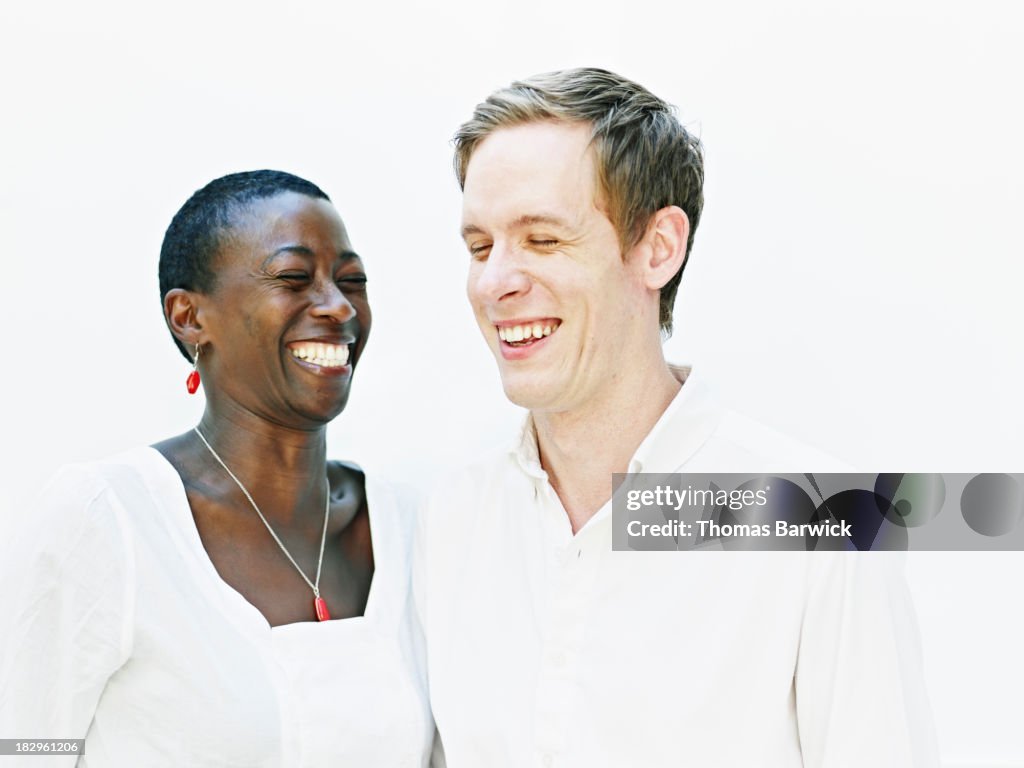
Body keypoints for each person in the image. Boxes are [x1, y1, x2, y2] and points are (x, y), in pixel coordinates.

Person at [415, 69, 939, 767]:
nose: (494, 282)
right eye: (480, 246)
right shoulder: (451, 521)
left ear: (658, 247)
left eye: (542, 240)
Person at [0, 171, 434, 766]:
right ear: (189, 317)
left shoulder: (409, 526)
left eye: (352, 281)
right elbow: (25, 746)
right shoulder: (108, 521)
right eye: (293, 277)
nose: (337, 305)